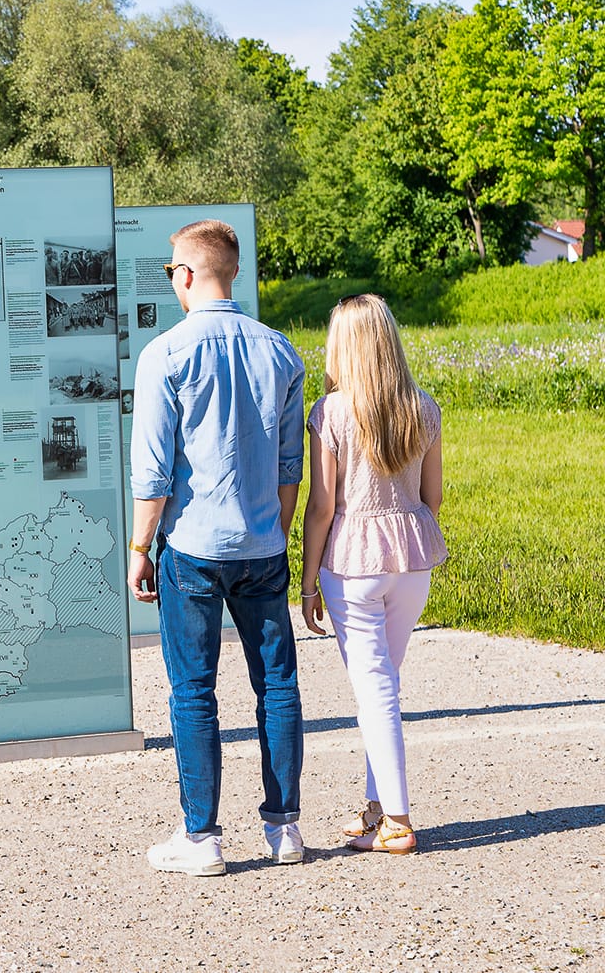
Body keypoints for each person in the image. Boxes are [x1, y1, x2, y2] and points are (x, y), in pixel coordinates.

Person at [128, 219, 307, 876]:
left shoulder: (165, 354)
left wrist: (139, 546)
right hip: (262, 542)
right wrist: (275, 531)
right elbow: (290, 465)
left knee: (193, 690)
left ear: (186, 274)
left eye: (171, 269)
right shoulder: (281, 352)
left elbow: (153, 470)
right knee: (278, 684)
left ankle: (201, 836)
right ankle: (284, 827)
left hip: (193, 545)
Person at [300, 294, 446, 855]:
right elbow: (433, 496)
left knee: (375, 688)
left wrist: (307, 581)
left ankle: (398, 822)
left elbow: (322, 506)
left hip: (352, 561)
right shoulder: (423, 407)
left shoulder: (331, 412)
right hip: (412, 558)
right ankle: (376, 810)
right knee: (383, 684)